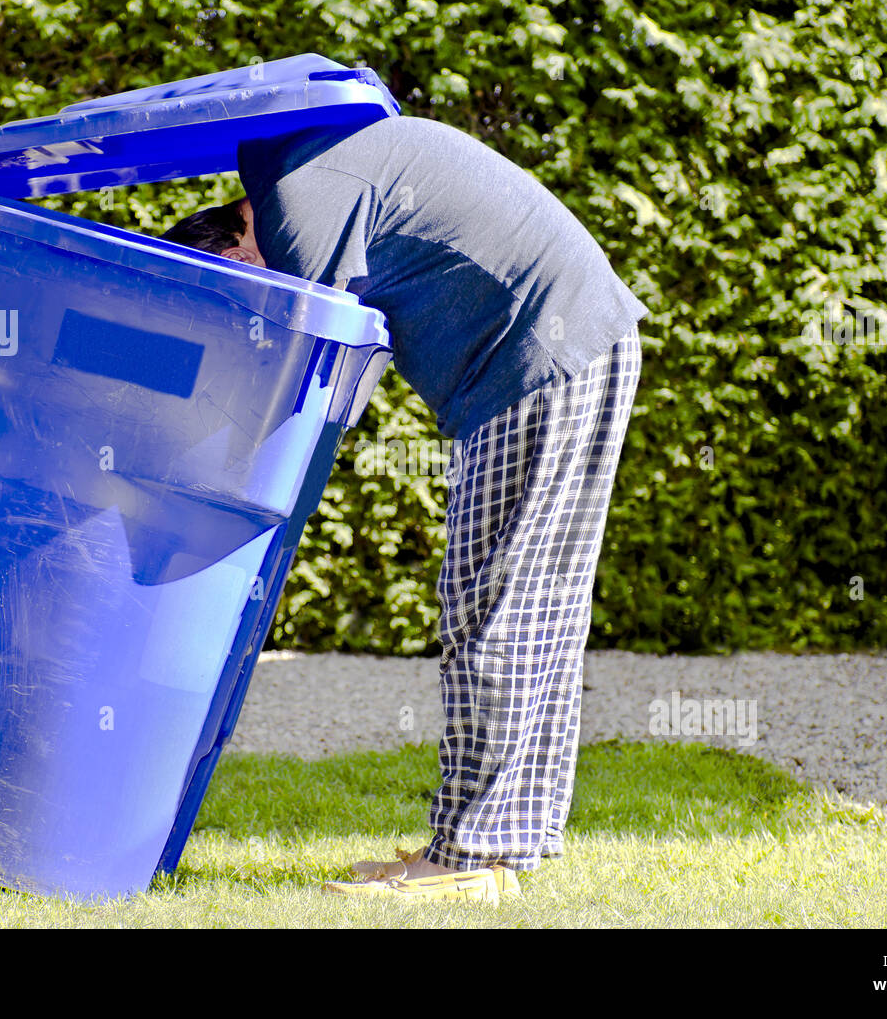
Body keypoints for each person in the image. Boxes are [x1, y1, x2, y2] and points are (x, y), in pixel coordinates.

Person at [162, 113, 647, 904]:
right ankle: (487, 843)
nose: (244, 296)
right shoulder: (301, 176)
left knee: (499, 603)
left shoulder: (291, 209)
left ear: (233, 238)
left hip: (537, 358)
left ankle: (470, 858)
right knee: (517, 605)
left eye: (230, 282)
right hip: (552, 349)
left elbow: (286, 377)